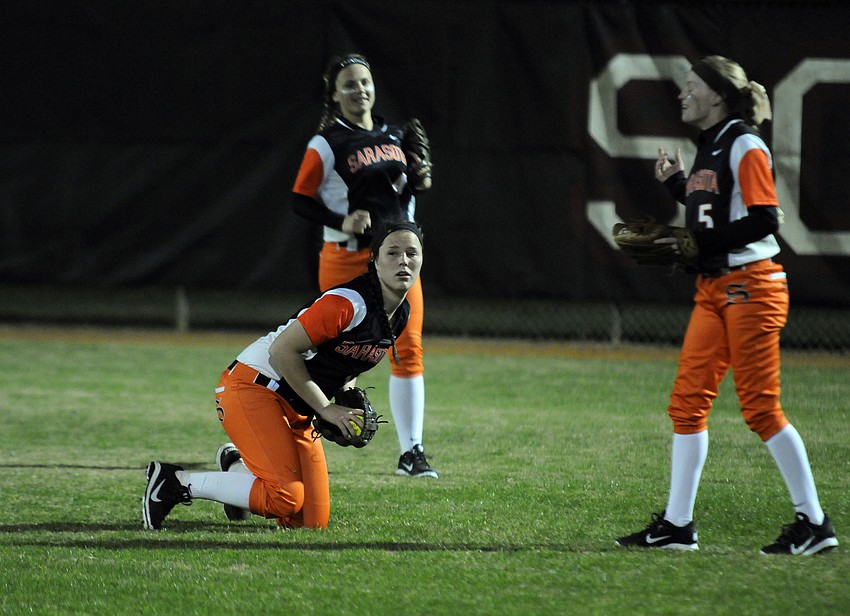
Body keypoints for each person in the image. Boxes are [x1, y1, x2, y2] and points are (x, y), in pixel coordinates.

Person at [615, 56, 838, 555]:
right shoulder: (712, 146)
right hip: (716, 288)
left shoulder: (742, 142)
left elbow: (765, 218)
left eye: (691, 86)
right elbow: (714, 212)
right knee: (687, 403)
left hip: (751, 286)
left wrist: (704, 245)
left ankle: (815, 522)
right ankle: (678, 525)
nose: (682, 94)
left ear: (717, 95)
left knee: (761, 408)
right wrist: (676, 184)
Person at [142, 220, 425, 530]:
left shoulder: (400, 312)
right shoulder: (348, 302)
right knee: (284, 498)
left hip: (297, 405)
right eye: (393, 252)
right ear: (374, 260)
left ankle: (236, 467)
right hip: (254, 387)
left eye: (412, 253)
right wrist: (327, 408)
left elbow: (347, 361)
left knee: (307, 522)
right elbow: (282, 351)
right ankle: (174, 482)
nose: (403, 260)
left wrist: (344, 397)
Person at [290, 53, 437, 478]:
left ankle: (412, 452)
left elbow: (404, 192)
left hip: (397, 256)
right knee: (326, 359)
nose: (360, 90)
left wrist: (421, 177)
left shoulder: (394, 132)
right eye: (349, 84)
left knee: (407, 350)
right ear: (334, 95)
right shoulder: (328, 142)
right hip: (348, 258)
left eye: (365, 82)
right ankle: (268, 445)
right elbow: (299, 197)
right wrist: (340, 220)